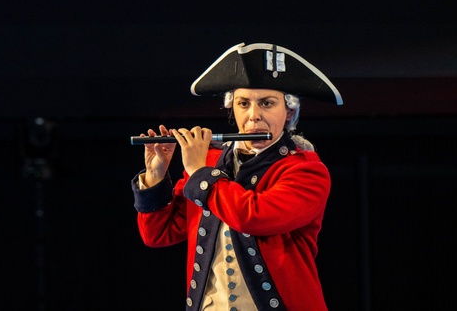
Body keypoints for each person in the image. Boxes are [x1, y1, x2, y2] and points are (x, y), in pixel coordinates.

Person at [131, 42, 343, 311]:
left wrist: (199, 173)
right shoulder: (209, 162)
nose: (254, 116)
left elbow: (254, 216)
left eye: (267, 103)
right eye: (244, 104)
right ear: (233, 109)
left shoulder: (305, 170)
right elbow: (158, 234)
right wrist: (156, 174)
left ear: (289, 112)